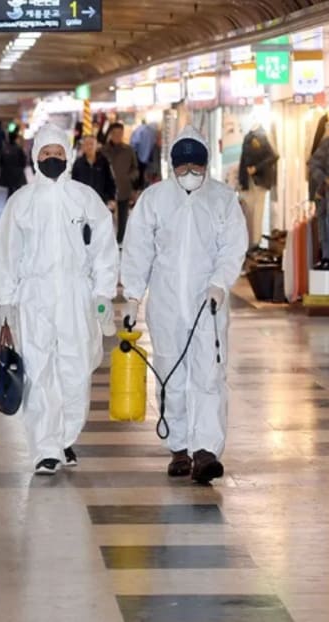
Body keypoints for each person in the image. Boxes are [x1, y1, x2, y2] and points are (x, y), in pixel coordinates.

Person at [0, 123, 119, 475]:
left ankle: (64, 437)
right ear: (35, 157)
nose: (52, 159)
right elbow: (5, 252)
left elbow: (104, 249)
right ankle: (45, 447)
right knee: (39, 370)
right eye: (45, 154)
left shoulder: (85, 198)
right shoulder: (22, 202)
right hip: (35, 298)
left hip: (76, 296)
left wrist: (103, 294)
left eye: (57, 154)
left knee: (76, 370)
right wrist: (4, 298)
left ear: (68, 155)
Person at [120, 125, 247, 485]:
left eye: (197, 167)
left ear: (206, 166)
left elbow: (233, 246)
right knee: (170, 373)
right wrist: (132, 295)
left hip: (208, 302)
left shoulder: (223, 199)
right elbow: (138, 249)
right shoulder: (154, 200)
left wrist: (220, 284)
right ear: (171, 167)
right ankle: (179, 446)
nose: (190, 174)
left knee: (208, 375)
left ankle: (205, 450)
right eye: (183, 167)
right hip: (165, 302)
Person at [101, 122, 139, 244]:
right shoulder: (103, 151)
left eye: (120, 133)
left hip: (124, 188)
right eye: (115, 133)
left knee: (123, 217)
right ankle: (108, 242)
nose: (117, 136)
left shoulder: (128, 150)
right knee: (106, 217)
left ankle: (120, 241)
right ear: (110, 134)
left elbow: (135, 168)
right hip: (107, 190)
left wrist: (129, 177)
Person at [71, 135, 117, 208]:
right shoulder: (78, 163)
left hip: (101, 201)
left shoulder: (104, 162)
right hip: (83, 203)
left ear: (97, 146)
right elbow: (74, 183)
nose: (89, 147)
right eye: (86, 144)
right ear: (83, 146)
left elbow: (111, 181)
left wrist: (112, 198)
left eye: (92, 144)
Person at [0, 131, 28, 198]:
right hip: (18, 173)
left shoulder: (4, 149)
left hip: (8, 172)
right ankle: (17, 206)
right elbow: (23, 161)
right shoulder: (19, 149)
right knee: (18, 191)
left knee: (10, 191)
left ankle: (9, 206)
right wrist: (22, 167)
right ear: (15, 138)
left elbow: (0, 162)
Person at [130, 120, 158, 190]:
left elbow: (134, 142)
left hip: (138, 155)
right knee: (143, 174)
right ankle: (141, 188)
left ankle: (138, 189)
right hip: (147, 158)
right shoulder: (153, 132)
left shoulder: (140, 129)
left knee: (139, 173)